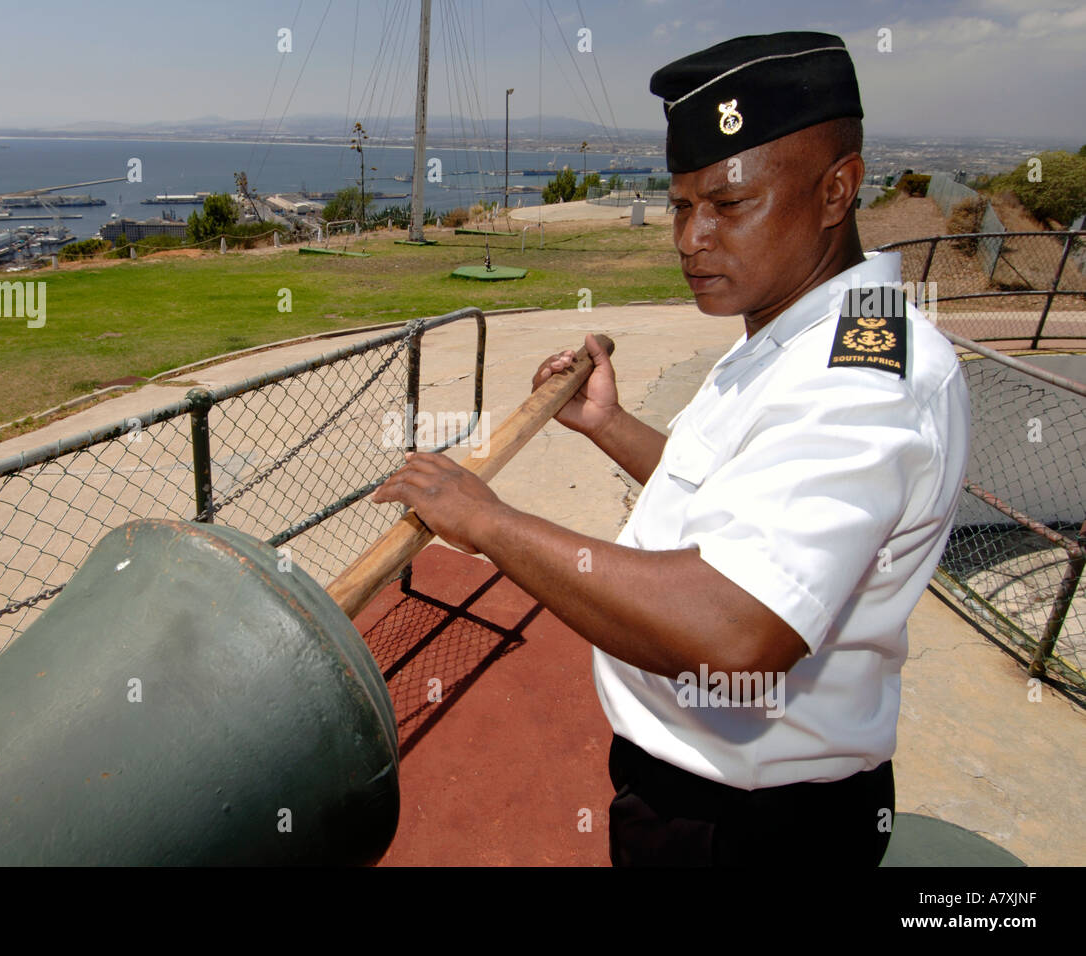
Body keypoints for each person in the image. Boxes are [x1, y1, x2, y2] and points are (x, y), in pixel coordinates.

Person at [373, 31, 969, 866]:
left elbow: (736, 630)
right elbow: (735, 504)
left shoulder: (863, 378)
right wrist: (610, 425)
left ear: (837, 190)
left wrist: (488, 523)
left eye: (730, 204)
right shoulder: (794, 329)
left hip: (753, 830)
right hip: (701, 797)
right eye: (682, 206)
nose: (690, 238)